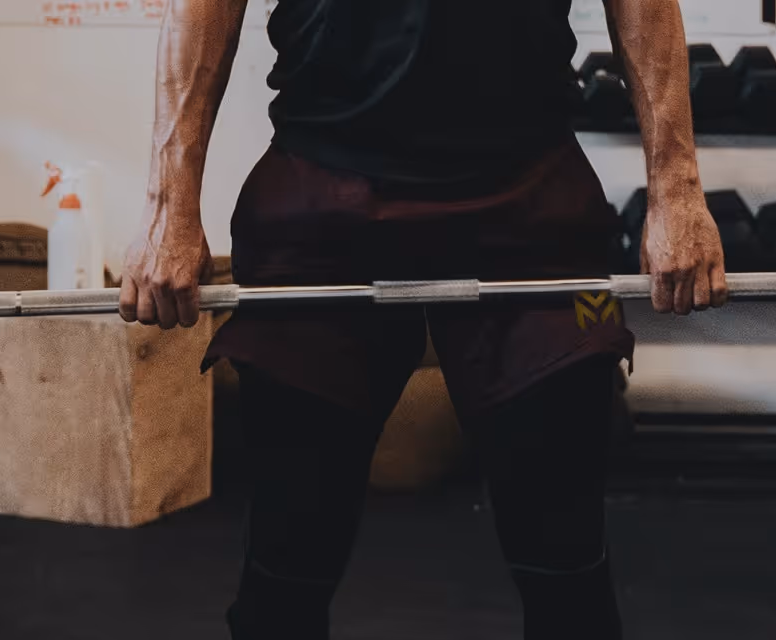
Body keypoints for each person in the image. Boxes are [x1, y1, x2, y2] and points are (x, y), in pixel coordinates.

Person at [119, 1, 725, 638]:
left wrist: (677, 188)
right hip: (321, 194)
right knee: (288, 552)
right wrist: (169, 202)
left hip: (533, 200)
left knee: (566, 552)